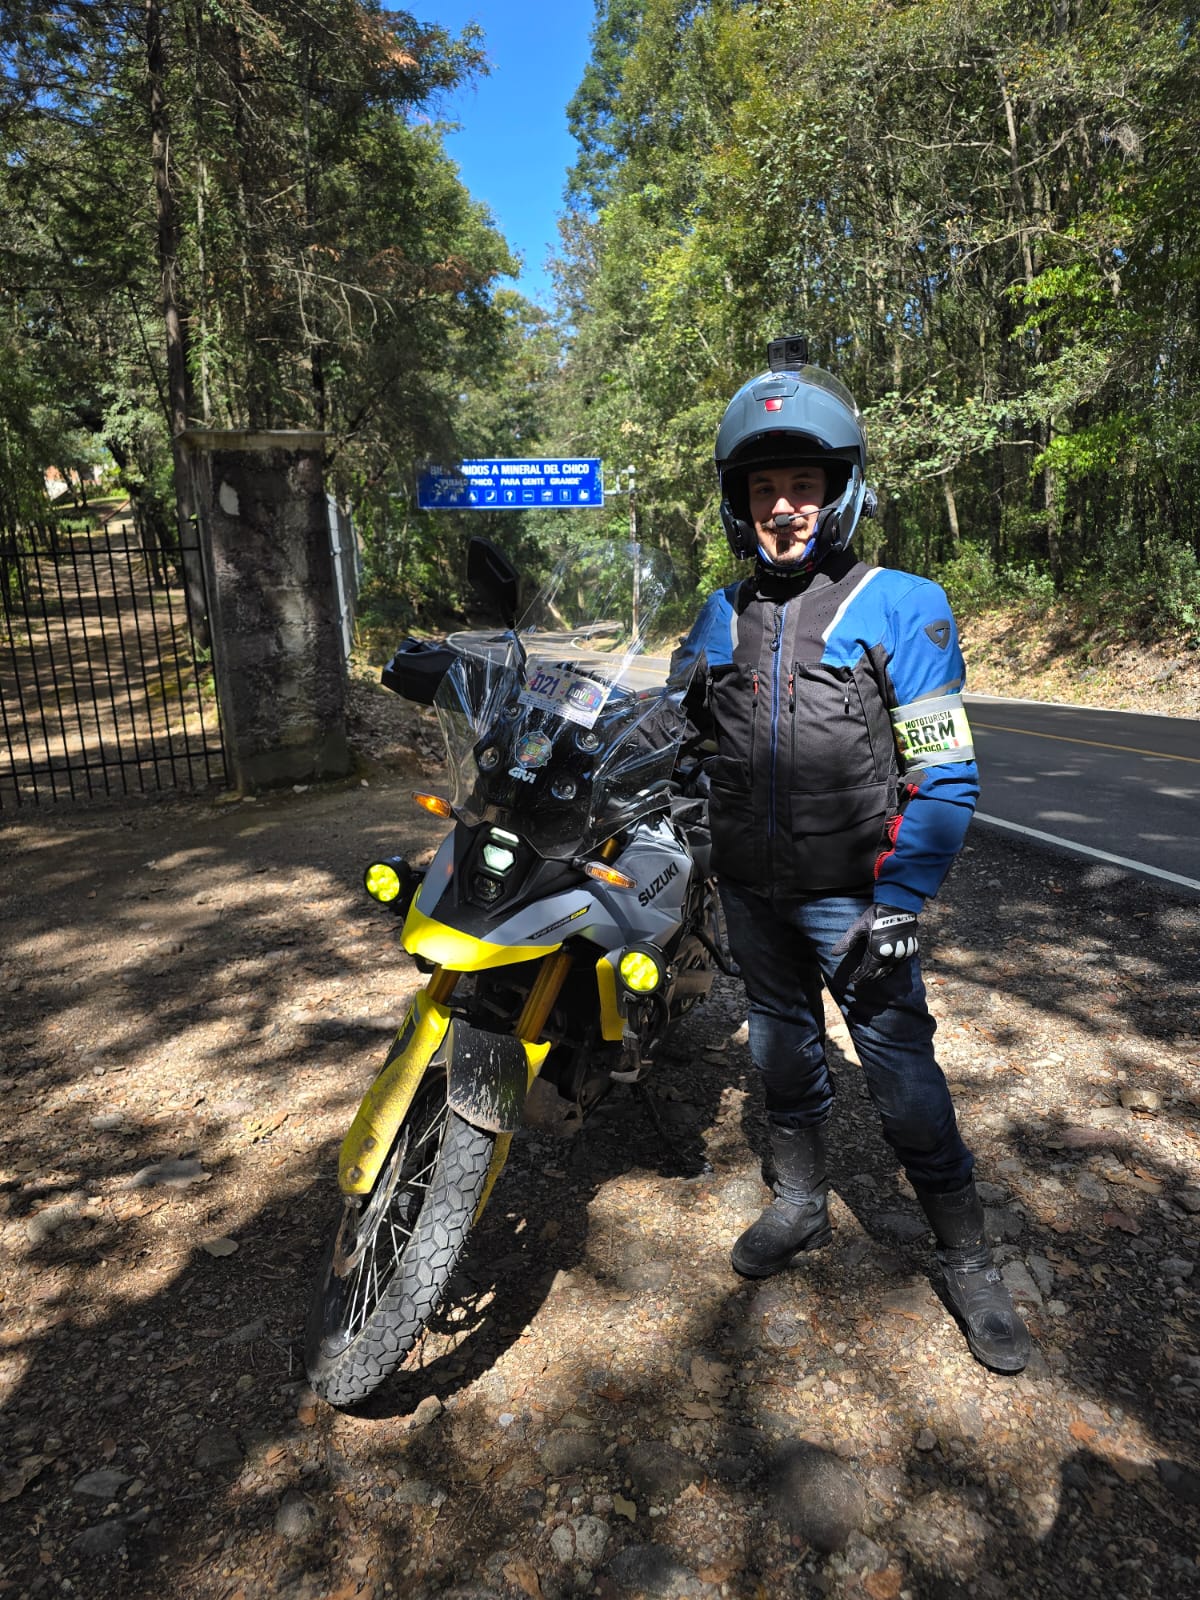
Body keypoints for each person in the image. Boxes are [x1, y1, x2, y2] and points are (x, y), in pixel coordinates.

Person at [672, 338, 1030, 1374]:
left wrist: (905, 898)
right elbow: (678, 737)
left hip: (858, 897)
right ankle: (799, 1202)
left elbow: (946, 770)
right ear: (741, 502)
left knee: (902, 1072)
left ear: (839, 494)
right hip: (753, 894)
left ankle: (966, 1255)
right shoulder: (718, 614)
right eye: (765, 488)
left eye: (804, 485)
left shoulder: (902, 602)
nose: (784, 506)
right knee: (782, 1055)